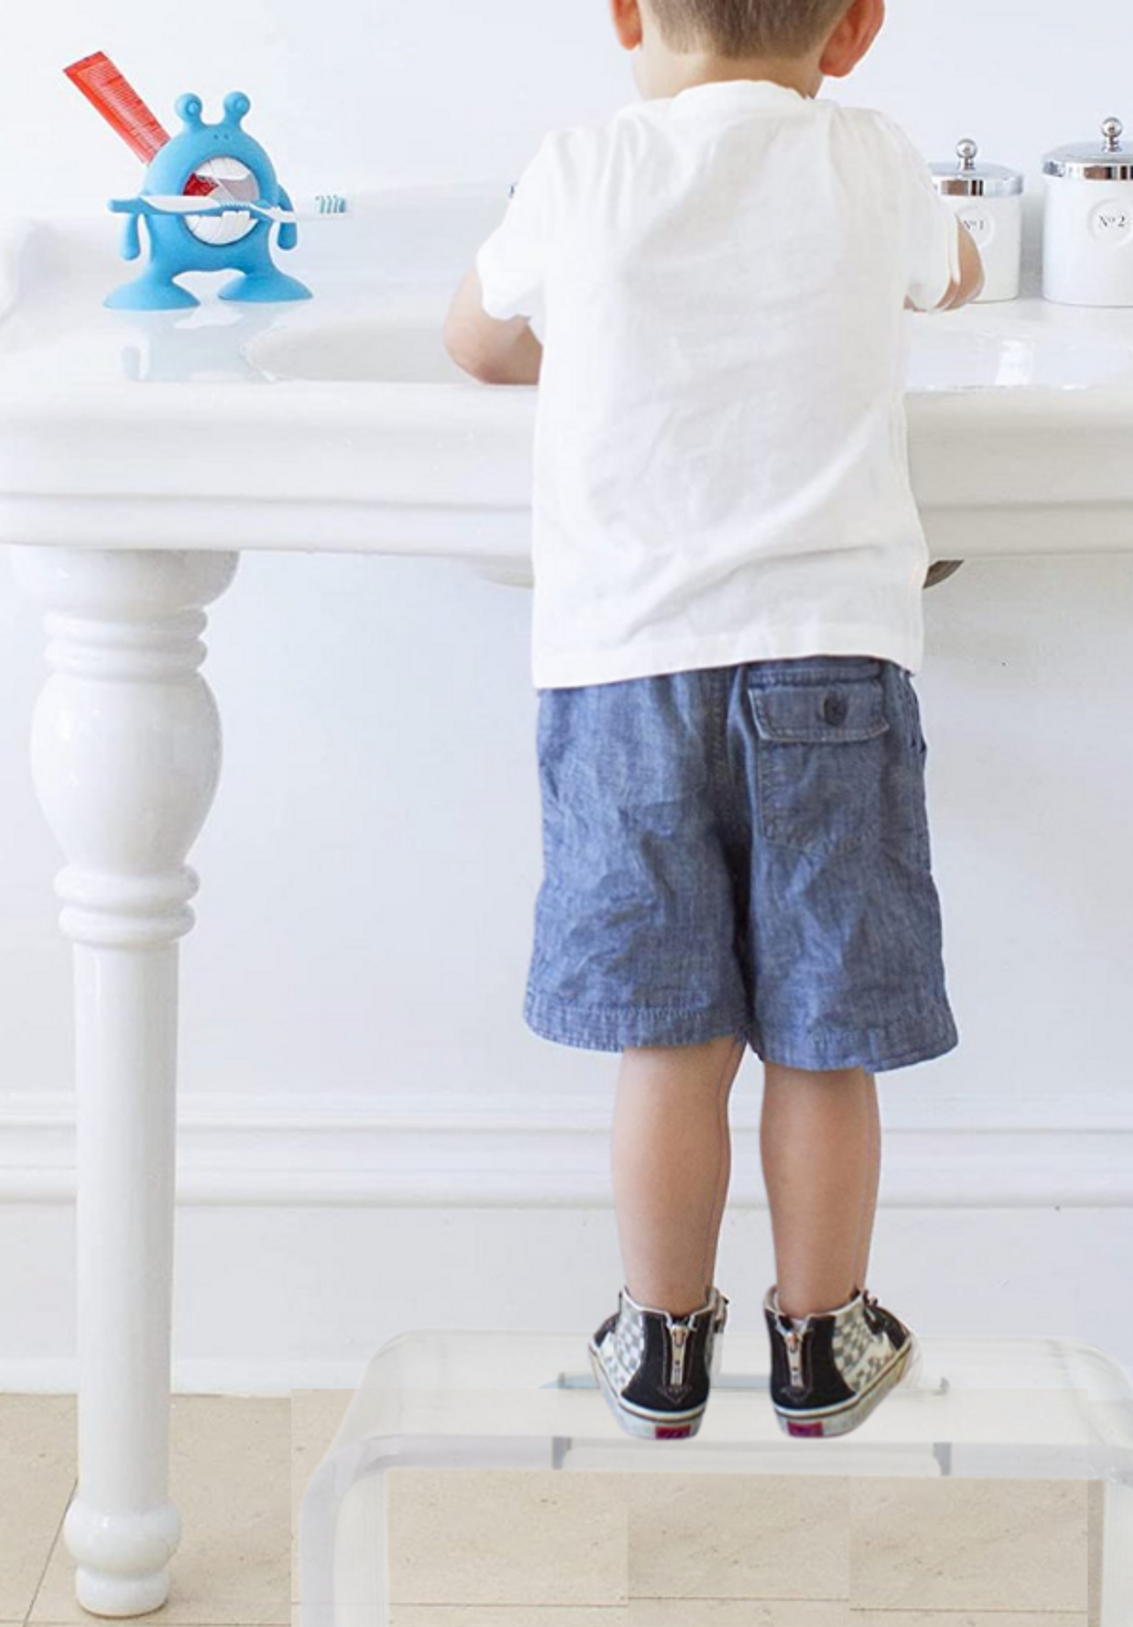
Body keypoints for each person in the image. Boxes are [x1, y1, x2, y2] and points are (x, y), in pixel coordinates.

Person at [444, 0, 983, 1442]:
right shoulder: (874, 158)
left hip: (626, 668)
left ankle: (660, 1344)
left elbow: (478, 347)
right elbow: (963, 279)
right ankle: (822, 1340)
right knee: (822, 1036)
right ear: (857, 28)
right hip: (835, 667)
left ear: (626, 14)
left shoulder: (579, 165)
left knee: (670, 1040)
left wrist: (616, 355)